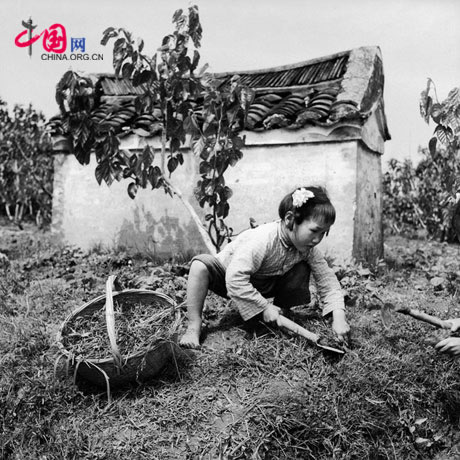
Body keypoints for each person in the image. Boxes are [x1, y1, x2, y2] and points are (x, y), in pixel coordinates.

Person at [179, 186, 350, 349]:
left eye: (324, 233)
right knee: (199, 265)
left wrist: (339, 317)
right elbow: (235, 277)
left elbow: (327, 279)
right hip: (228, 278)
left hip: (265, 283)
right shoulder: (263, 240)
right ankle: (194, 325)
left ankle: (282, 312)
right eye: (314, 231)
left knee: (302, 267)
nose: (318, 239)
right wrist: (264, 307)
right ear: (290, 220)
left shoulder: (308, 249)